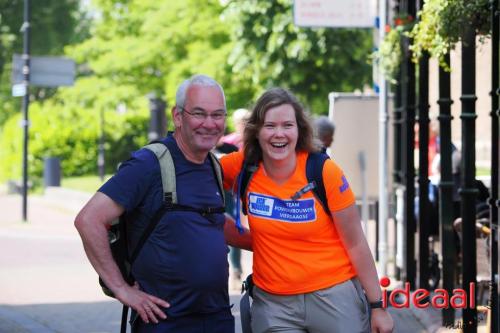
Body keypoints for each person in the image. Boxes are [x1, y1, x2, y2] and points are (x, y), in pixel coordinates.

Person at [74, 74, 252, 333]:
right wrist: (122, 289)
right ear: (178, 116)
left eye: (217, 115)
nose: (210, 124)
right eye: (199, 113)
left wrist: (268, 243)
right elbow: (88, 220)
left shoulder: (212, 165)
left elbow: (208, 222)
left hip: (217, 318)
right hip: (164, 323)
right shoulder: (149, 164)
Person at [220, 88, 393, 333]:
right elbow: (193, 180)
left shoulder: (323, 171)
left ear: (299, 129)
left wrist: (378, 306)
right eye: (269, 126)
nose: (279, 134)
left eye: (287, 125)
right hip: (274, 305)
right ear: (256, 131)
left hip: (334, 297)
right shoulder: (241, 167)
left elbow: (355, 242)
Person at [217, 108, 250, 288]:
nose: (243, 125)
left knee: (234, 227)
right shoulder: (227, 142)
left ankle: (236, 268)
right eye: (241, 122)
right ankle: (227, 269)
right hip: (221, 191)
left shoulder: (247, 144)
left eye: (247, 121)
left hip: (234, 193)